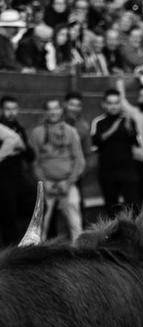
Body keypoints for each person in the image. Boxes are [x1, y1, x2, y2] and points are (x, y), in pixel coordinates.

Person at [29, 99, 85, 242]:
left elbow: (79, 160)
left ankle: (78, 255)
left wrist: (68, 182)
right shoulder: (37, 133)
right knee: (40, 224)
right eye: (50, 109)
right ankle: (37, 256)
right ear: (45, 112)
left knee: (76, 224)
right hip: (46, 185)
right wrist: (44, 182)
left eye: (56, 109)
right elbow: (34, 161)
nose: (53, 112)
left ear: (61, 110)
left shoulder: (71, 131)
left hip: (68, 183)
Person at [90, 88, 143, 217]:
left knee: (133, 207)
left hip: (128, 170)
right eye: (110, 103)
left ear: (120, 104)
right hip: (107, 172)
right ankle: (115, 235)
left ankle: (133, 235)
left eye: (116, 103)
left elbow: (137, 143)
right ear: (104, 104)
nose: (113, 106)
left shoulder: (128, 120)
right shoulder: (98, 122)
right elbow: (95, 144)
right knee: (111, 207)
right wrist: (113, 129)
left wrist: (130, 130)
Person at [0, 96, 35, 246]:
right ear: (1, 110)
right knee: (8, 216)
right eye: (8, 109)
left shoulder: (19, 128)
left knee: (26, 209)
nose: (11, 113)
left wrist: (22, 147)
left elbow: (30, 156)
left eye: (14, 109)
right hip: (2, 179)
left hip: (17, 178)